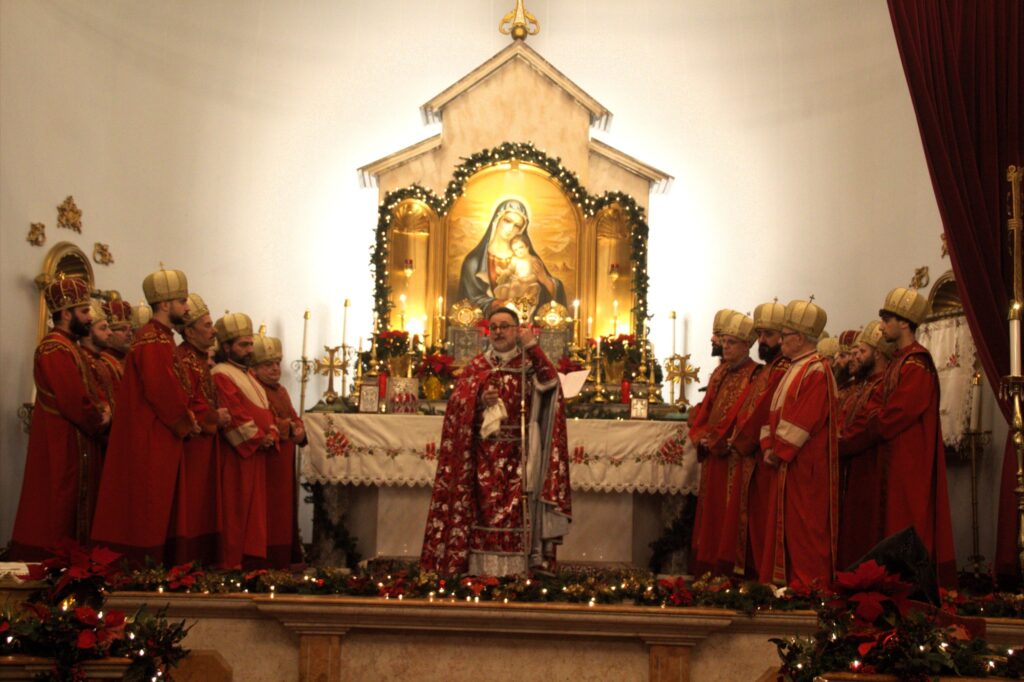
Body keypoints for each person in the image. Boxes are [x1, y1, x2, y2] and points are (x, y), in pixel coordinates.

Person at [421, 306, 570, 576]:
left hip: (520, 453)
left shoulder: (528, 363)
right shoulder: (478, 366)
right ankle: (481, 573)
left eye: (505, 326)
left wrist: (533, 347)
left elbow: (552, 383)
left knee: (519, 513)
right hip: (483, 455)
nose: (499, 332)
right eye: (494, 327)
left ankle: (519, 573)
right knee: (483, 512)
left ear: (517, 330)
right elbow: (457, 404)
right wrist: (478, 398)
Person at [91, 268, 198, 564]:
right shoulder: (152, 341)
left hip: (160, 434)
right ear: (164, 304)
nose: (186, 307)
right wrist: (185, 421)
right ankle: (146, 569)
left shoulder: (161, 338)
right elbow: (161, 389)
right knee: (150, 505)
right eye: (182, 301)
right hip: (151, 436)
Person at [9, 277, 111, 559]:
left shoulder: (70, 347)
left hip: (77, 441)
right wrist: (100, 418)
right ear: (66, 314)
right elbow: (74, 399)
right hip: (61, 442)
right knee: (58, 506)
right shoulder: (54, 348)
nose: (89, 317)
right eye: (84, 311)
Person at [873, 287, 957, 585]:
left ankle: (910, 587)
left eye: (887, 320)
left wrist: (874, 422)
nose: (881, 326)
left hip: (910, 458)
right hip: (893, 455)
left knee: (907, 517)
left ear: (904, 323)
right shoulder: (899, 361)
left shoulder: (917, 364)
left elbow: (900, 411)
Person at [759, 298, 838, 587]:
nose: (781, 341)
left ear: (801, 338)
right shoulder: (795, 367)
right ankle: (784, 585)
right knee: (787, 525)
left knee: (805, 527)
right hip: (788, 463)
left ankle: (807, 588)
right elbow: (773, 413)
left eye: (785, 335)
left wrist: (779, 450)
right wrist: (768, 446)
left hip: (805, 466)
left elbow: (804, 418)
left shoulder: (816, 370)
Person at [717, 300, 791, 578]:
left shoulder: (781, 368)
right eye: (759, 334)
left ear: (782, 336)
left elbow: (763, 410)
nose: (762, 340)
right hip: (753, 452)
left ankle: (761, 576)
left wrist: (742, 440)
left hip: (763, 454)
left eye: (768, 335)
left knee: (761, 520)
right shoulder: (769, 367)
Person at [689, 311, 759, 575]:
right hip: (712, 454)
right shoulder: (720, 372)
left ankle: (726, 572)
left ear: (746, 345)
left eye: (732, 343)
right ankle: (707, 569)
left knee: (728, 513)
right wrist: (701, 434)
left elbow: (742, 413)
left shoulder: (754, 374)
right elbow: (707, 409)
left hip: (732, 456)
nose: (725, 347)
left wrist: (717, 439)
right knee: (711, 514)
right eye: (724, 342)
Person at [212, 312, 277, 569]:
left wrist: (271, 432)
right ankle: (231, 564)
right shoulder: (221, 374)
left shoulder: (248, 374)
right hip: (237, 455)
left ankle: (250, 563)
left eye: (250, 344)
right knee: (235, 509)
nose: (249, 349)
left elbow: (268, 410)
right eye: (243, 345)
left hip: (255, 453)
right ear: (227, 347)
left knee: (254, 511)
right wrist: (258, 438)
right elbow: (234, 413)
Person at [171, 293, 230, 565]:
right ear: (190, 331)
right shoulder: (184, 360)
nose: (213, 330)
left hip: (206, 445)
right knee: (192, 506)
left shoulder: (199, 358)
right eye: (207, 325)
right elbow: (186, 403)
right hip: (191, 447)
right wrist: (214, 416)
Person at [836, 321, 893, 568]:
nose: (855, 357)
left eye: (862, 351)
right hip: (850, 463)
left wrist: (839, 443)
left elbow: (867, 425)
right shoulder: (861, 386)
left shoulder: (883, 385)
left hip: (869, 464)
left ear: (877, 354)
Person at [250, 335, 306, 568]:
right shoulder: (254, 389)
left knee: (283, 511)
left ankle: (283, 559)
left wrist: (299, 428)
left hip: (284, 459)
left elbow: (292, 416)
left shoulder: (281, 390)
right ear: (254, 368)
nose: (275, 369)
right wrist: (289, 427)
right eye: (268, 365)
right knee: (269, 510)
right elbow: (263, 421)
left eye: (277, 363)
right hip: (268, 459)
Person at [457, 199, 567, 317]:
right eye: (507, 221)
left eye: (517, 226)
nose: (510, 228)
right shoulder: (474, 262)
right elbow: (469, 301)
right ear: (497, 220)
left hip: (525, 320)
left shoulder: (529, 259)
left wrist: (545, 280)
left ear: (521, 230)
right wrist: (500, 304)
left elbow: (547, 298)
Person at [78, 300, 118, 418]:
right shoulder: (82, 361)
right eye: (103, 328)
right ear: (88, 334)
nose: (110, 333)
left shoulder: (100, 360)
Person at [100, 298, 133, 390]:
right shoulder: (103, 362)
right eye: (122, 329)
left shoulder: (132, 358)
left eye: (131, 329)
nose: (130, 334)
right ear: (108, 332)